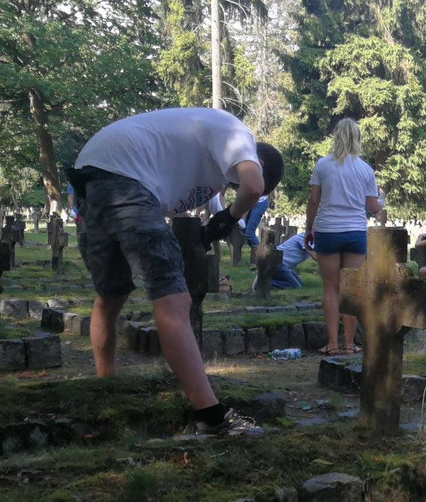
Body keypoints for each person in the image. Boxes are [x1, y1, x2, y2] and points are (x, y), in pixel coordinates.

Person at [66, 107, 284, 435]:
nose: (235, 184)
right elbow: (252, 187)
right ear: (261, 163)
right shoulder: (238, 134)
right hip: (126, 176)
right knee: (174, 301)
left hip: (94, 176)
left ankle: (106, 386)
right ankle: (212, 416)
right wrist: (230, 217)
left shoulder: (209, 161)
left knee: (111, 295)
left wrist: (212, 225)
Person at [305, 118, 381, 356]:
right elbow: (374, 207)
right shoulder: (366, 169)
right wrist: (382, 199)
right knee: (351, 290)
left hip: (328, 229)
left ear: (336, 137)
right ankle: (350, 344)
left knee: (331, 288)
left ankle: (332, 343)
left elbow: (314, 200)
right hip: (356, 231)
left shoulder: (323, 165)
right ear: (357, 138)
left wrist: (309, 228)